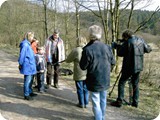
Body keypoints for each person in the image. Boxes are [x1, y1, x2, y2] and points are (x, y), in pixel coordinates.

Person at [80, 25, 115, 120]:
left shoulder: (87, 49)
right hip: (105, 77)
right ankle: (101, 117)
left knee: (96, 102)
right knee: (103, 100)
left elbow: (83, 66)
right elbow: (113, 62)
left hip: (94, 78)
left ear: (89, 34)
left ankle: (99, 118)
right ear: (100, 34)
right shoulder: (107, 47)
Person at [110, 29, 152, 108]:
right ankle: (135, 102)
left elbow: (120, 53)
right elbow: (148, 49)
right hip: (138, 67)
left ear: (126, 36)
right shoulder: (141, 40)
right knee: (135, 84)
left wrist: (117, 46)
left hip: (128, 67)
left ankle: (119, 101)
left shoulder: (128, 42)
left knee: (122, 82)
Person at [65, 36, 89, 108]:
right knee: (85, 88)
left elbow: (68, 60)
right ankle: (86, 102)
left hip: (79, 72)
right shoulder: (88, 49)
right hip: (87, 72)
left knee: (80, 88)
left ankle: (81, 103)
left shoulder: (76, 50)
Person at [18, 32, 37, 100]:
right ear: (29, 37)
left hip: (31, 65)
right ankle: (26, 95)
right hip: (27, 65)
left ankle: (30, 91)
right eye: (32, 37)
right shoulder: (25, 45)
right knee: (27, 81)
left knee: (31, 80)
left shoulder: (28, 44)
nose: (33, 38)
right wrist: (20, 64)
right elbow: (22, 55)